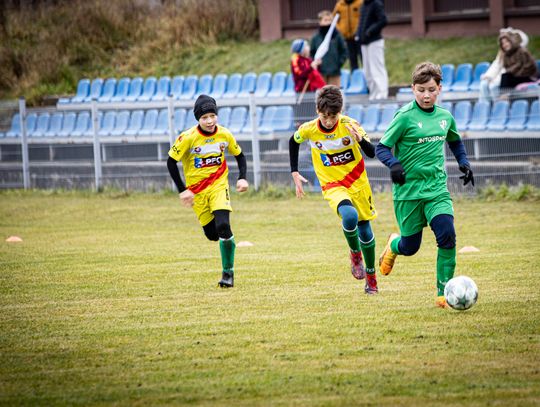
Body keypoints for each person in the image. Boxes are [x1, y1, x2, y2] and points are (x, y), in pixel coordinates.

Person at [375, 62, 475, 308]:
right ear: (413, 89)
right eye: (421, 90)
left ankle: (444, 293)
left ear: (439, 88)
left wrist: (463, 162)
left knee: (447, 234)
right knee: (410, 247)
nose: (426, 95)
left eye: (431, 89)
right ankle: (393, 245)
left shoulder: (445, 117)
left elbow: (455, 141)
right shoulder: (404, 117)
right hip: (408, 192)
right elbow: (382, 148)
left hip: (436, 188)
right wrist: (394, 165)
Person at [289, 85, 379, 294]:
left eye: (333, 116)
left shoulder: (350, 125)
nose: (329, 121)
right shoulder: (310, 128)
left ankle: (372, 278)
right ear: (317, 111)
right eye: (324, 116)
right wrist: (294, 172)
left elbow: (372, 152)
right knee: (349, 216)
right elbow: (293, 141)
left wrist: (360, 140)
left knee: (365, 230)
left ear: (340, 112)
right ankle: (355, 254)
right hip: (333, 185)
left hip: (358, 183)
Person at [167, 94, 249, 288]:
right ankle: (227, 242)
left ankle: (228, 274)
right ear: (198, 119)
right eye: (205, 117)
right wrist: (183, 190)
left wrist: (242, 177)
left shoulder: (224, 134)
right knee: (212, 234)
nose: (210, 121)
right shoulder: (188, 138)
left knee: (223, 226)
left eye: (212, 115)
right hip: (197, 193)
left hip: (219, 186)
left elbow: (240, 155)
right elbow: (171, 162)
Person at [479, 27, 530, 103]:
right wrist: (488, 76)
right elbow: (496, 65)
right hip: (500, 77)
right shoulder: (502, 53)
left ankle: (499, 106)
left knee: (493, 86)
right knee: (483, 84)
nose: (505, 44)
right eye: (503, 43)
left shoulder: (519, 50)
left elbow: (524, 40)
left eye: (507, 41)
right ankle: (484, 106)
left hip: (510, 77)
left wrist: (513, 32)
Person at [355, 0, 388, 100]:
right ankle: (373, 93)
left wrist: (370, 31)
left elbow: (383, 20)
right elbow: (361, 23)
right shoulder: (363, 5)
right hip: (364, 42)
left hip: (375, 41)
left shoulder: (376, 3)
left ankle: (382, 93)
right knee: (367, 71)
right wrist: (358, 34)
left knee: (376, 68)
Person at [310, 10, 348, 88]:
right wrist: (315, 62)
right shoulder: (316, 38)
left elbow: (344, 51)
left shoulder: (337, 36)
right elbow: (312, 53)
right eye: (325, 20)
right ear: (320, 22)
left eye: (330, 20)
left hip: (334, 71)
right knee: (322, 93)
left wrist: (339, 63)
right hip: (321, 72)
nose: (328, 23)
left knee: (334, 93)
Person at [498, 30, 537, 95]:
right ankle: (504, 96)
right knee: (505, 77)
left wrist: (515, 73)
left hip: (527, 76)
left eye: (506, 42)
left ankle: (503, 96)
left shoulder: (522, 51)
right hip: (515, 77)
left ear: (511, 41)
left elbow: (529, 67)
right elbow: (507, 69)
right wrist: (512, 73)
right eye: (503, 43)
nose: (505, 45)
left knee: (506, 77)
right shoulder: (506, 55)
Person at [333, 0, 363, 71]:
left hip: (359, 36)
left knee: (363, 57)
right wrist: (340, 30)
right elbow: (334, 19)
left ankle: (366, 75)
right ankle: (354, 75)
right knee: (352, 58)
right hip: (347, 37)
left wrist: (359, 30)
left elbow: (364, 16)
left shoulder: (360, 3)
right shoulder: (340, 5)